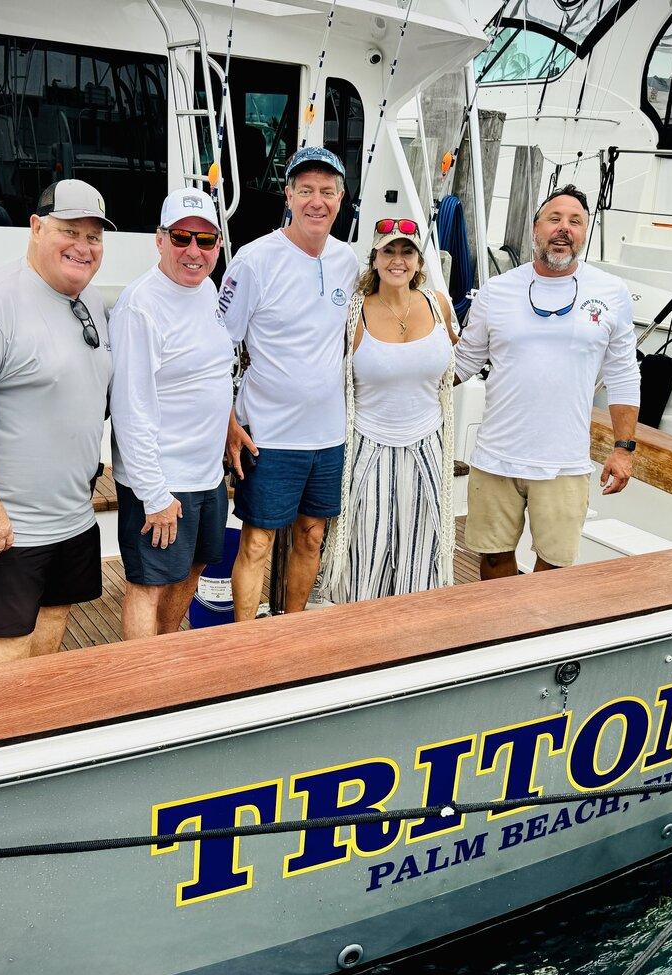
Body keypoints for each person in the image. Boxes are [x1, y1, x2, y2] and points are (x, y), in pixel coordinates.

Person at [0, 178, 114, 664]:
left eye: (93, 236)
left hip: (71, 515)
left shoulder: (90, 300)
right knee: (10, 642)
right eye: (69, 231)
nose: (82, 247)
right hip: (8, 524)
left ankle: (38, 728)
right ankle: (1, 739)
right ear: (36, 228)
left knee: (55, 617)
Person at [453, 184, 641, 578]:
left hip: (565, 462)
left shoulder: (612, 292)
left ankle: (531, 638)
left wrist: (623, 449)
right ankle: (498, 634)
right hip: (496, 454)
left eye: (575, 221)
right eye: (554, 218)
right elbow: (464, 361)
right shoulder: (497, 291)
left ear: (585, 232)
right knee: (492, 557)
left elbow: (624, 374)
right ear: (535, 229)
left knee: (554, 569)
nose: (563, 228)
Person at [220, 146, 360, 619]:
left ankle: (290, 630)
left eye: (326, 191)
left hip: (329, 435)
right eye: (305, 191)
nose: (316, 202)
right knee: (257, 541)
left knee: (311, 534)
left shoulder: (349, 262)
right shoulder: (252, 260)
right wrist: (227, 420)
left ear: (342, 199)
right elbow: (219, 348)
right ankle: (243, 644)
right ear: (288, 196)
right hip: (270, 434)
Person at [109, 187, 233, 638]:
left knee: (193, 570)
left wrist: (229, 427)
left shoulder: (206, 290)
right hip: (162, 479)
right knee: (149, 584)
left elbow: (211, 374)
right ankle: (144, 688)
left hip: (206, 476)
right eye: (182, 238)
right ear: (159, 240)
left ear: (218, 245)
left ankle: (164, 657)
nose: (193, 252)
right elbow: (130, 410)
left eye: (205, 240)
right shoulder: (140, 307)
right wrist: (154, 495)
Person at [321, 219, 460, 602]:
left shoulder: (439, 305)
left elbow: (458, 360)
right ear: (374, 259)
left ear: (418, 261)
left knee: (422, 546)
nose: (398, 260)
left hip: (428, 443)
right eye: (389, 251)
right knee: (366, 546)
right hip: (369, 445)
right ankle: (362, 633)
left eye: (407, 252)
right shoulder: (353, 313)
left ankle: (415, 633)